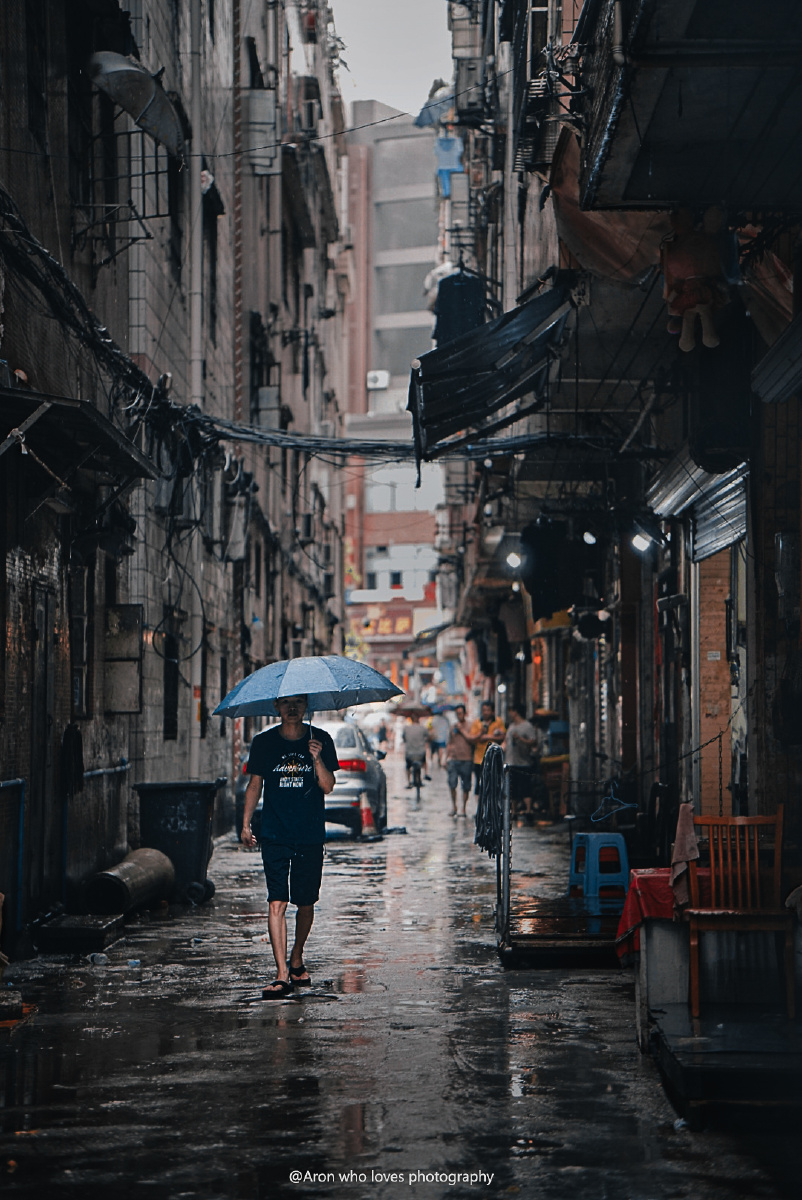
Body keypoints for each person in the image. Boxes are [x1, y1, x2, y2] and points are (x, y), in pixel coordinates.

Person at [241, 694, 339, 1000]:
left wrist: (317, 759)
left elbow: (328, 786)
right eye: (286, 703)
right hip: (275, 833)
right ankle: (282, 973)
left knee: (305, 901)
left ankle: (297, 956)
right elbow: (255, 784)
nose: (292, 708)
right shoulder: (263, 742)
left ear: (306, 706)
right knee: (277, 902)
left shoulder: (320, 739)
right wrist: (245, 824)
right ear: (276, 707)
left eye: (298, 702)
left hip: (309, 834)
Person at [504, 705, 539, 818]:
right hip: (511, 761)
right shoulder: (511, 726)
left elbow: (533, 742)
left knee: (525, 787)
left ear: (516, 712)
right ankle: (513, 811)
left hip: (523, 762)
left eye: (511, 711)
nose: (510, 714)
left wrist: (520, 739)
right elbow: (506, 742)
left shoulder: (527, 726)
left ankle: (528, 810)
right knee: (512, 788)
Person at [469, 701, 506, 796]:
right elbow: (474, 738)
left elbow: (503, 736)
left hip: (495, 757)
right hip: (479, 758)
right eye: (484, 710)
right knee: (479, 782)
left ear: (492, 711)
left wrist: (487, 737)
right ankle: (479, 807)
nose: (485, 712)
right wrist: (485, 735)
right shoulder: (477, 723)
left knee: (494, 782)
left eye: (488, 710)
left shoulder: (498, 722)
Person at [445, 703, 474, 816]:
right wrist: (446, 757)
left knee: (466, 785)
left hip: (466, 759)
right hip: (453, 759)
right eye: (457, 714)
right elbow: (449, 743)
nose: (459, 715)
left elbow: (472, 740)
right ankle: (454, 807)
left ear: (465, 714)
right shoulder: (453, 727)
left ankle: (464, 808)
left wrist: (462, 730)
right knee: (452, 783)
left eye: (460, 713)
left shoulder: (470, 726)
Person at [402, 715, 429, 788]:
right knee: (425, 762)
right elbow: (428, 737)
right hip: (420, 754)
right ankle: (426, 774)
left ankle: (408, 782)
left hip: (409, 754)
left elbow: (404, 738)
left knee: (407, 767)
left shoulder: (406, 728)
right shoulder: (423, 728)